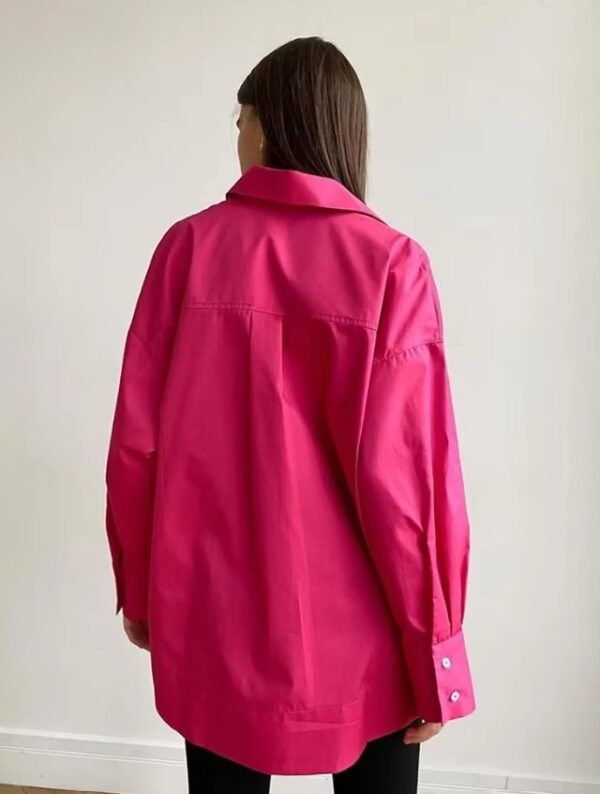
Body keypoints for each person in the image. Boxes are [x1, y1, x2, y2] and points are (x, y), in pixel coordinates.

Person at [105, 36, 475, 794]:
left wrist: (140, 593)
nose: (235, 138)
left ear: (270, 126)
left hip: (212, 625)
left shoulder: (186, 252)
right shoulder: (391, 266)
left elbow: (137, 450)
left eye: (238, 119)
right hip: (368, 638)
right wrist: (438, 650)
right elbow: (411, 487)